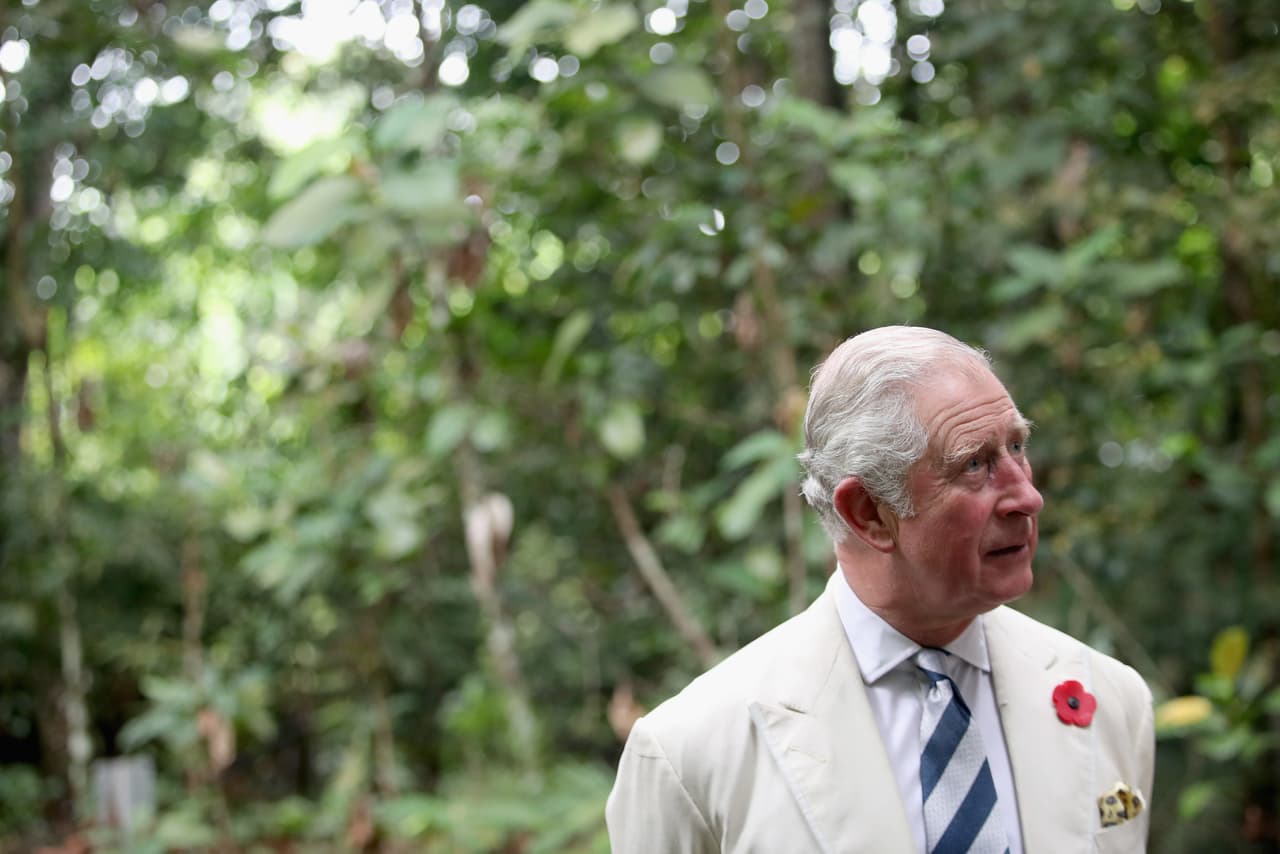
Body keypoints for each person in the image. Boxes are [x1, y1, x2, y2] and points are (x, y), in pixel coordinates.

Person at [606, 326, 1153, 853]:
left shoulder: (1111, 699)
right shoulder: (691, 750)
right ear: (868, 513)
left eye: (1017, 447)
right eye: (975, 464)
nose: (1026, 497)